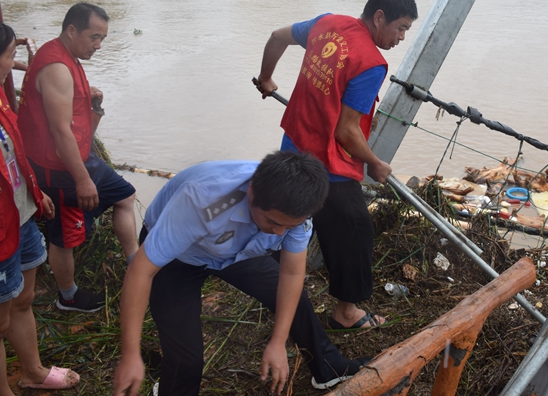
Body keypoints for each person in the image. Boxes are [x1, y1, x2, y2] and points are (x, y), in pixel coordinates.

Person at [112, 151, 368, 396]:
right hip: (179, 256)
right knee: (186, 358)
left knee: (295, 300)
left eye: (289, 226)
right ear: (251, 192)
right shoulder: (202, 199)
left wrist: (278, 342)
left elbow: (291, 274)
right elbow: (141, 271)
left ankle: (329, 369)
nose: (280, 234)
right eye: (274, 222)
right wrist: (130, 354)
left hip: (239, 250)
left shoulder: (298, 209)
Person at [257, 0, 417, 330]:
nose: (402, 37)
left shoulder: (326, 23)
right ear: (379, 18)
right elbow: (346, 132)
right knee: (354, 231)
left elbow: (276, 37)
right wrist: (374, 162)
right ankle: (347, 312)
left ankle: (265, 284)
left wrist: (267, 77)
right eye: (401, 27)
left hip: (293, 143)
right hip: (326, 164)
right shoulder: (371, 63)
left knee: (284, 217)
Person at [18, 3, 137, 313]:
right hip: (60, 168)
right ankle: (68, 296)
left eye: (103, 39)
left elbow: (77, 122)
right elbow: (60, 131)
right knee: (64, 236)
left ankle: (136, 266)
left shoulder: (67, 56)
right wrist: (82, 180)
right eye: (93, 37)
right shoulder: (56, 67)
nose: (98, 46)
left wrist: (92, 103)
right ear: (71, 30)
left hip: (81, 159)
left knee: (125, 196)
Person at [0, 23, 80, 391]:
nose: (13, 64)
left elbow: (14, 149)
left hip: (22, 213)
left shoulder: (1, 99)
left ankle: (32, 372)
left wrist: (33, 192)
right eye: (10, 57)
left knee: (24, 298)